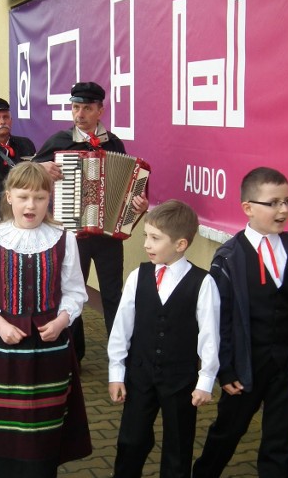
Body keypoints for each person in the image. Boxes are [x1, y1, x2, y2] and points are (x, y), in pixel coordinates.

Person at [0, 162, 91, 478]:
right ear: (9, 197)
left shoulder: (64, 238)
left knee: (45, 433)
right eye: (24, 196)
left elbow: (75, 292)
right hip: (1, 349)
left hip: (49, 350)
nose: (31, 205)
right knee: (0, 432)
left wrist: (61, 321)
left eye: (40, 198)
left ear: (49, 199)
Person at [193, 167, 288, 477]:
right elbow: (218, 321)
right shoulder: (228, 258)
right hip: (244, 366)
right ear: (248, 208)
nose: (283, 210)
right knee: (227, 432)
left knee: (279, 442)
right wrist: (224, 368)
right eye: (274, 202)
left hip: (285, 364)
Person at [33, 81, 148, 362]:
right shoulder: (59, 142)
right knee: (73, 293)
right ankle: (75, 353)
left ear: (100, 111)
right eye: (75, 107)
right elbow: (26, 175)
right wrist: (39, 167)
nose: (80, 114)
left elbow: (131, 187)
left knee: (112, 294)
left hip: (108, 236)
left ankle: (119, 355)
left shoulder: (114, 143)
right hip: (74, 234)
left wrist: (138, 207)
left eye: (87, 108)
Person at [108, 199, 220, 478]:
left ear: (180, 244)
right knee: (130, 442)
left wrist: (205, 380)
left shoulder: (202, 282)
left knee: (178, 448)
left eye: (155, 238)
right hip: (140, 375)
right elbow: (122, 326)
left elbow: (209, 335)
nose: (146, 244)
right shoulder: (138, 275)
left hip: (180, 381)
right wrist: (116, 372)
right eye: (146, 236)